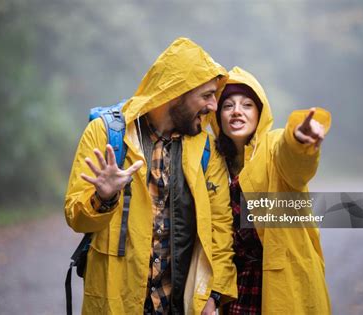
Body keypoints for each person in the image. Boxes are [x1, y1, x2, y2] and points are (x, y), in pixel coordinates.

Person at [64, 38, 237, 314]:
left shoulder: (206, 149)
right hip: (114, 306)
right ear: (176, 92)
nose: (214, 106)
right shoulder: (106, 135)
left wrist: (214, 294)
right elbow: (76, 217)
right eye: (206, 96)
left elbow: (220, 229)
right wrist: (103, 197)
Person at [212, 67, 331, 314]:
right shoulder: (213, 165)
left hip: (286, 283)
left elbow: (293, 163)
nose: (237, 111)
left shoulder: (273, 146)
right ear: (217, 116)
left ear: (259, 113)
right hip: (238, 288)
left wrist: (298, 142)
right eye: (228, 106)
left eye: (247, 105)